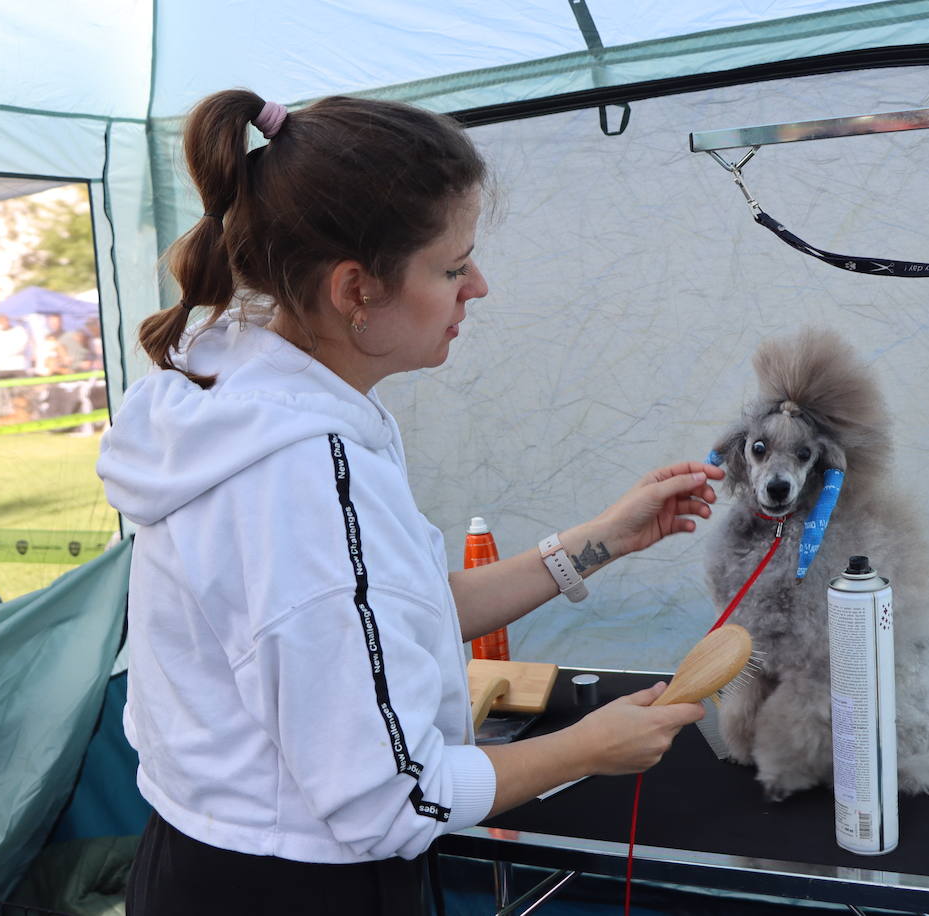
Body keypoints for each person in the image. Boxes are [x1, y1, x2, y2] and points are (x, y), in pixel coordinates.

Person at [96, 91, 724, 916]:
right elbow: (387, 799)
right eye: (453, 266)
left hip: (211, 864)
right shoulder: (297, 476)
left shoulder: (254, 400)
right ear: (356, 288)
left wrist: (600, 542)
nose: (480, 287)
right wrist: (587, 749)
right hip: (293, 892)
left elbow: (407, 608)